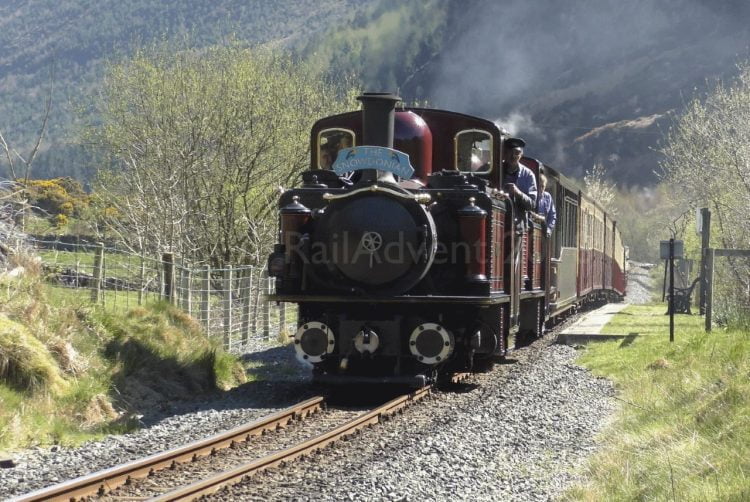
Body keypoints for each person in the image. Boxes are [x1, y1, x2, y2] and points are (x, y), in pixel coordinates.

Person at [501, 137, 537, 231]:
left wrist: (518, 193)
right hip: (498, 221)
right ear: (505, 153)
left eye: (516, 153)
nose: (513, 156)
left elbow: (532, 204)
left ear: (521, 155)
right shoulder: (495, 169)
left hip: (517, 226)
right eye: (510, 152)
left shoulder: (528, 175)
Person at [532, 173, 556, 237]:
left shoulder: (548, 197)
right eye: (539, 186)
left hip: (543, 232)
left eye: (542, 186)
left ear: (545, 187)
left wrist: (548, 229)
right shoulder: (531, 195)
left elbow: (552, 215)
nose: (541, 189)